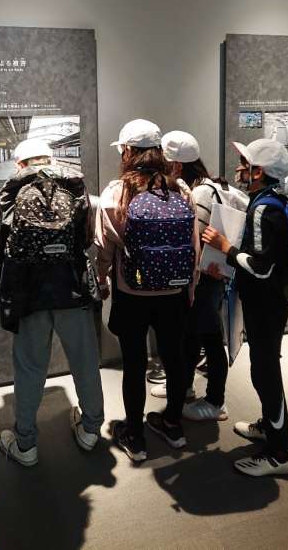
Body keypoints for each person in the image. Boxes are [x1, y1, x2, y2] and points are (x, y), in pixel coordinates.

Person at [0, 138, 104, 467]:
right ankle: (90, 430)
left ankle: (26, 444)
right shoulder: (74, 184)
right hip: (72, 289)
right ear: (50, 158)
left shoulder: (12, 189)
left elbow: (0, 248)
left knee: (30, 368)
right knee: (84, 361)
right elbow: (85, 239)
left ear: (20, 164)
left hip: (29, 295)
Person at [95, 119, 199, 463]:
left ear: (127, 151)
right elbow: (193, 246)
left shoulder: (116, 193)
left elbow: (104, 247)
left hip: (133, 292)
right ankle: (173, 424)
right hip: (173, 293)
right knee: (174, 357)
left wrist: (102, 280)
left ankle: (136, 437)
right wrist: (190, 286)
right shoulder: (179, 189)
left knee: (135, 362)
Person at [202, 138, 288, 476]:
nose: (240, 169)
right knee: (264, 368)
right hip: (269, 302)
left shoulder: (262, 209)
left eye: (246, 164)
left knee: (265, 372)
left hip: (265, 305)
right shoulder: (272, 202)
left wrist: (225, 247)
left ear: (260, 172)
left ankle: (279, 454)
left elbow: (260, 266)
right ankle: (270, 428)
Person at [156, 130, 247, 422]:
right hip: (210, 275)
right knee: (194, 335)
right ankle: (183, 386)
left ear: (176, 165)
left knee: (210, 337)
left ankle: (216, 401)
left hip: (205, 278)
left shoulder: (198, 194)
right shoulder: (210, 186)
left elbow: (195, 240)